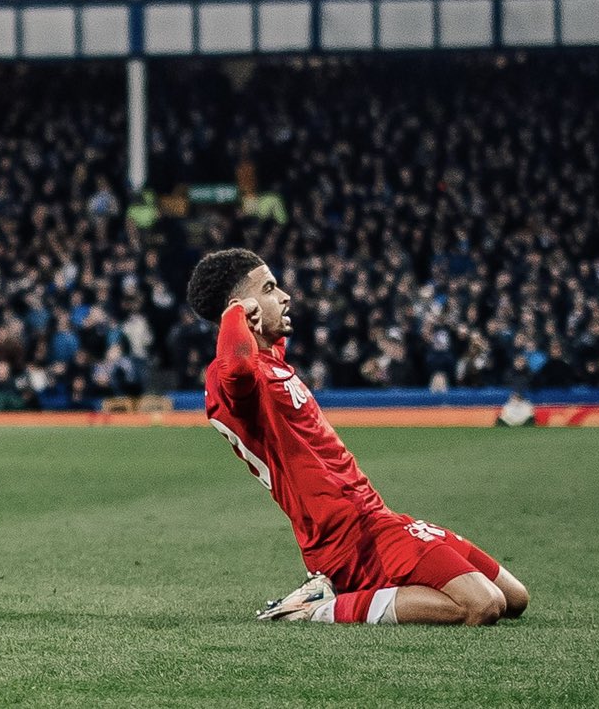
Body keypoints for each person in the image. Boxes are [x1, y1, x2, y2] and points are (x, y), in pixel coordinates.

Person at [189, 248, 531, 626]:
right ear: (243, 307)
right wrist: (234, 314)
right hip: (347, 540)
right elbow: (235, 365)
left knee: (515, 598)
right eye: (270, 288)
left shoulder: (271, 361)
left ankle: (334, 594)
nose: (285, 295)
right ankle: (318, 609)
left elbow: (258, 348)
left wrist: (254, 317)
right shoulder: (229, 378)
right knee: (482, 607)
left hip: (377, 518)